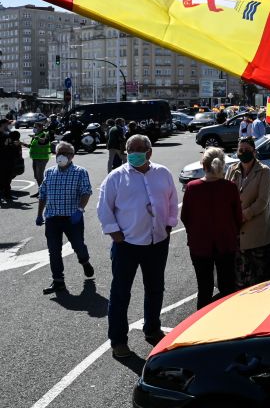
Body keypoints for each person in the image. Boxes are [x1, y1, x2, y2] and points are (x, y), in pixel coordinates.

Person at [97, 134, 178, 359]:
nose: (132, 153)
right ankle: (118, 340)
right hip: (127, 245)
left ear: (149, 152)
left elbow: (172, 202)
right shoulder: (115, 178)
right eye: (129, 149)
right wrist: (115, 232)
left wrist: (170, 224)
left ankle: (152, 329)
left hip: (157, 241)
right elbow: (104, 207)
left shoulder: (163, 173)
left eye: (138, 149)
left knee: (155, 288)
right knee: (121, 293)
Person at [181, 147, 243, 309]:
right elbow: (238, 217)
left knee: (204, 288)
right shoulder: (230, 187)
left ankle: (202, 327)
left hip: (200, 245)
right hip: (226, 243)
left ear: (204, 166)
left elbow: (185, 217)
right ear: (222, 166)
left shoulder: (192, 188)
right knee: (227, 287)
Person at [35, 142, 94, 294]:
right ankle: (58, 281)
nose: (62, 155)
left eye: (66, 153)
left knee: (78, 246)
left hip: (72, 218)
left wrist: (80, 210)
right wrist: (39, 214)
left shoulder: (80, 172)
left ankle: (84, 261)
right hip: (53, 218)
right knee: (54, 251)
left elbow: (86, 191)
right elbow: (43, 194)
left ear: (72, 156)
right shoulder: (49, 172)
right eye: (60, 152)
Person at [226, 137, 270, 288]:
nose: (243, 153)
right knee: (241, 281)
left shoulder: (263, 171)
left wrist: (243, 215)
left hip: (257, 235)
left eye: (247, 150)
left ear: (254, 151)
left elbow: (262, 201)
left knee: (260, 281)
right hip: (238, 235)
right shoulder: (232, 170)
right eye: (240, 150)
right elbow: (226, 196)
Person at [29, 119, 53, 195]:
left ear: (40, 127)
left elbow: (43, 141)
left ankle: (43, 191)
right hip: (35, 158)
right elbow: (31, 146)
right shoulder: (36, 135)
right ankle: (40, 190)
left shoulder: (44, 134)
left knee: (40, 176)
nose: (34, 128)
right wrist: (21, 143)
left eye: (35, 127)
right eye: (34, 127)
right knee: (36, 176)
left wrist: (36, 137)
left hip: (42, 158)